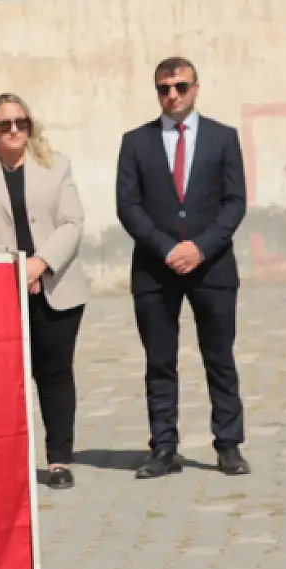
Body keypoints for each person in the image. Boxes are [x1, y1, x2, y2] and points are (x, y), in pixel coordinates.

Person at [116, 57, 249, 479]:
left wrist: (201, 248)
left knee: (219, 357)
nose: (172, 95)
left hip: (212, 267)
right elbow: (128, 206)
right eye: (164, 88)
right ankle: (163, 447)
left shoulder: (222, 138)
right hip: (156, 269)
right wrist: (167, 248)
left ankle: (228, 444)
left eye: (180, 86)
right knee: (159, 361)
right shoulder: (136, 142)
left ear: (196, 87)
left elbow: (235, 202)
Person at [0, 94, 89, 490]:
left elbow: (72, 223)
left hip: (56, 286)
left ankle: (59, 460)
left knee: (56, 375)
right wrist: (15, 265)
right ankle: (9, 463)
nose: (14, 131)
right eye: (5, 125)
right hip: (0, 293)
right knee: (6, 379)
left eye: (21, 123)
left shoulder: (56, 166)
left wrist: (39, 264)